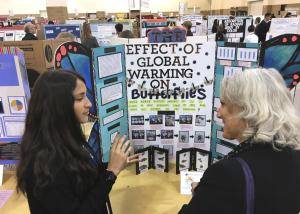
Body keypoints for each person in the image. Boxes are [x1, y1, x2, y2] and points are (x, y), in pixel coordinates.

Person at [179, 68, 300, 214]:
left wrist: (205, 193)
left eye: (223, 104)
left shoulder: (227, 173)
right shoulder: (295, 157)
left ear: (247, 109)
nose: (219, 112)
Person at [16, 71, 139, 214]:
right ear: (59, 105)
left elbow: (84, 174)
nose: (89, 103)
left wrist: (115, 163)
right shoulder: (46, 162)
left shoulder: (69, 138)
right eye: (80, 98)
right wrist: (111, 173)